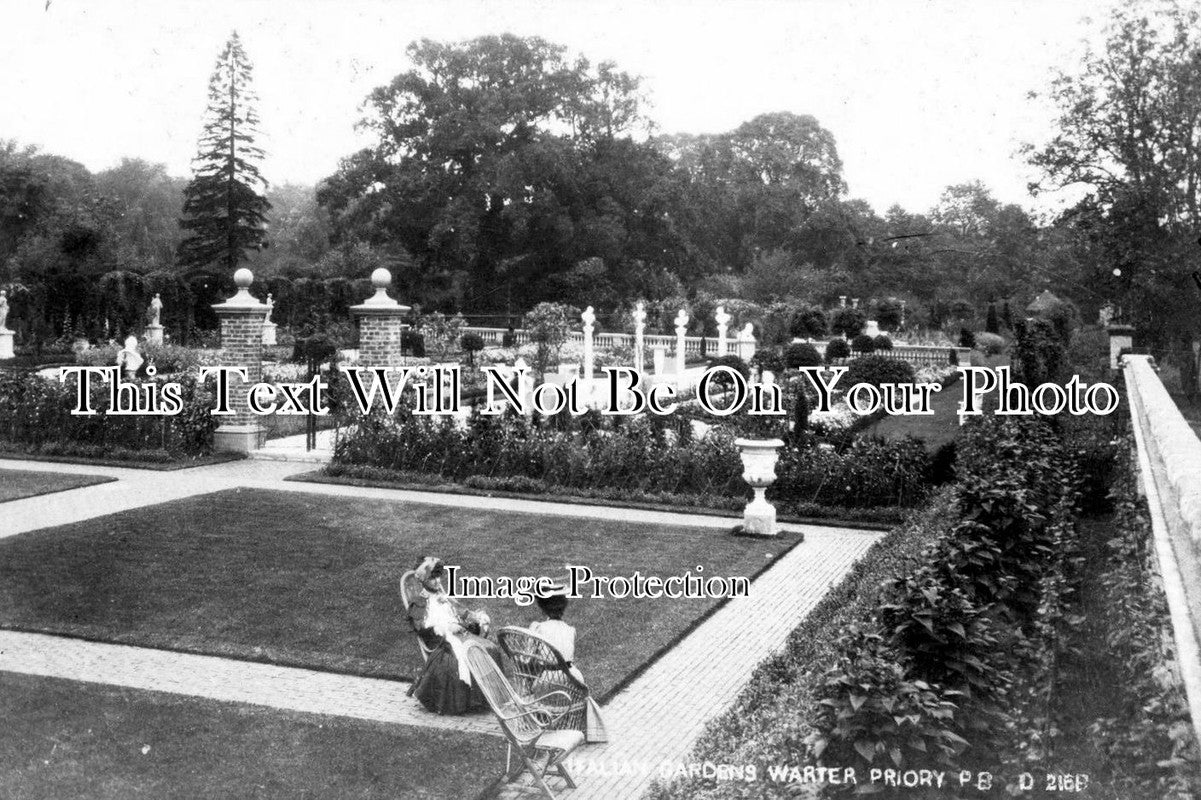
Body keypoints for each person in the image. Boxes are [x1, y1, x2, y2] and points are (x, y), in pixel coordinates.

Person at [406, 556, 504, 715]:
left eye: (438, 577)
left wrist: (477, 618)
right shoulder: (420, 602)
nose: (437, 581)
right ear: (423, 579)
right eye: (432, 578)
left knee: (490, 648)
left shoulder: (443, 597)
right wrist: (445, 628)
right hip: (442, 641)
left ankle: (487, 697)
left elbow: (463, 613)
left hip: (460, 634)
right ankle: (469, 701)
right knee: (462, 658)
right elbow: (422, 628)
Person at [528, 587, 609, 743]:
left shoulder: (538, 628)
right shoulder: (570, 630)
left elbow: (527, 660)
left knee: (533, 682)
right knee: (580, 693)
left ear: (542, 607)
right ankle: (573, 727)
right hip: (572, 679)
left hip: (548, 680)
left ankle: (542, 725)